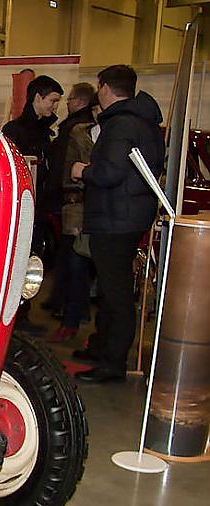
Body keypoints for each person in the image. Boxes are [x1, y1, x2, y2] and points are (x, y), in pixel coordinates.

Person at [71, 65, 164, 383]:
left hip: (115, 217)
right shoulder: (145, 123)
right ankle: (102, 347)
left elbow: (110, 173)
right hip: (130, 215)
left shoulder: (120, 125)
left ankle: (112, 363)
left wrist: (82, 170)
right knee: (114, 289)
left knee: (116, 293)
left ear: (105, 87)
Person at [2, 74, 64, 333]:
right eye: (52, 100)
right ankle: (14, 317)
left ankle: (23, 314)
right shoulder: (15, 131)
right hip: (23, 211)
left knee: (33, 260)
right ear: (37, 98)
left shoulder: (43, 132)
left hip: (38, 210)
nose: (55, 107)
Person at [43, 83, 98, 330]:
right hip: (81, 203)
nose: (62, 104)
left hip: (76, 203)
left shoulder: (78, 131)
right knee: (74, 260)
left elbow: (65, 169)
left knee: (75, 259)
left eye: (65, 99)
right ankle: (70, 310)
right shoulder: (83, 129)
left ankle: (71, 315)